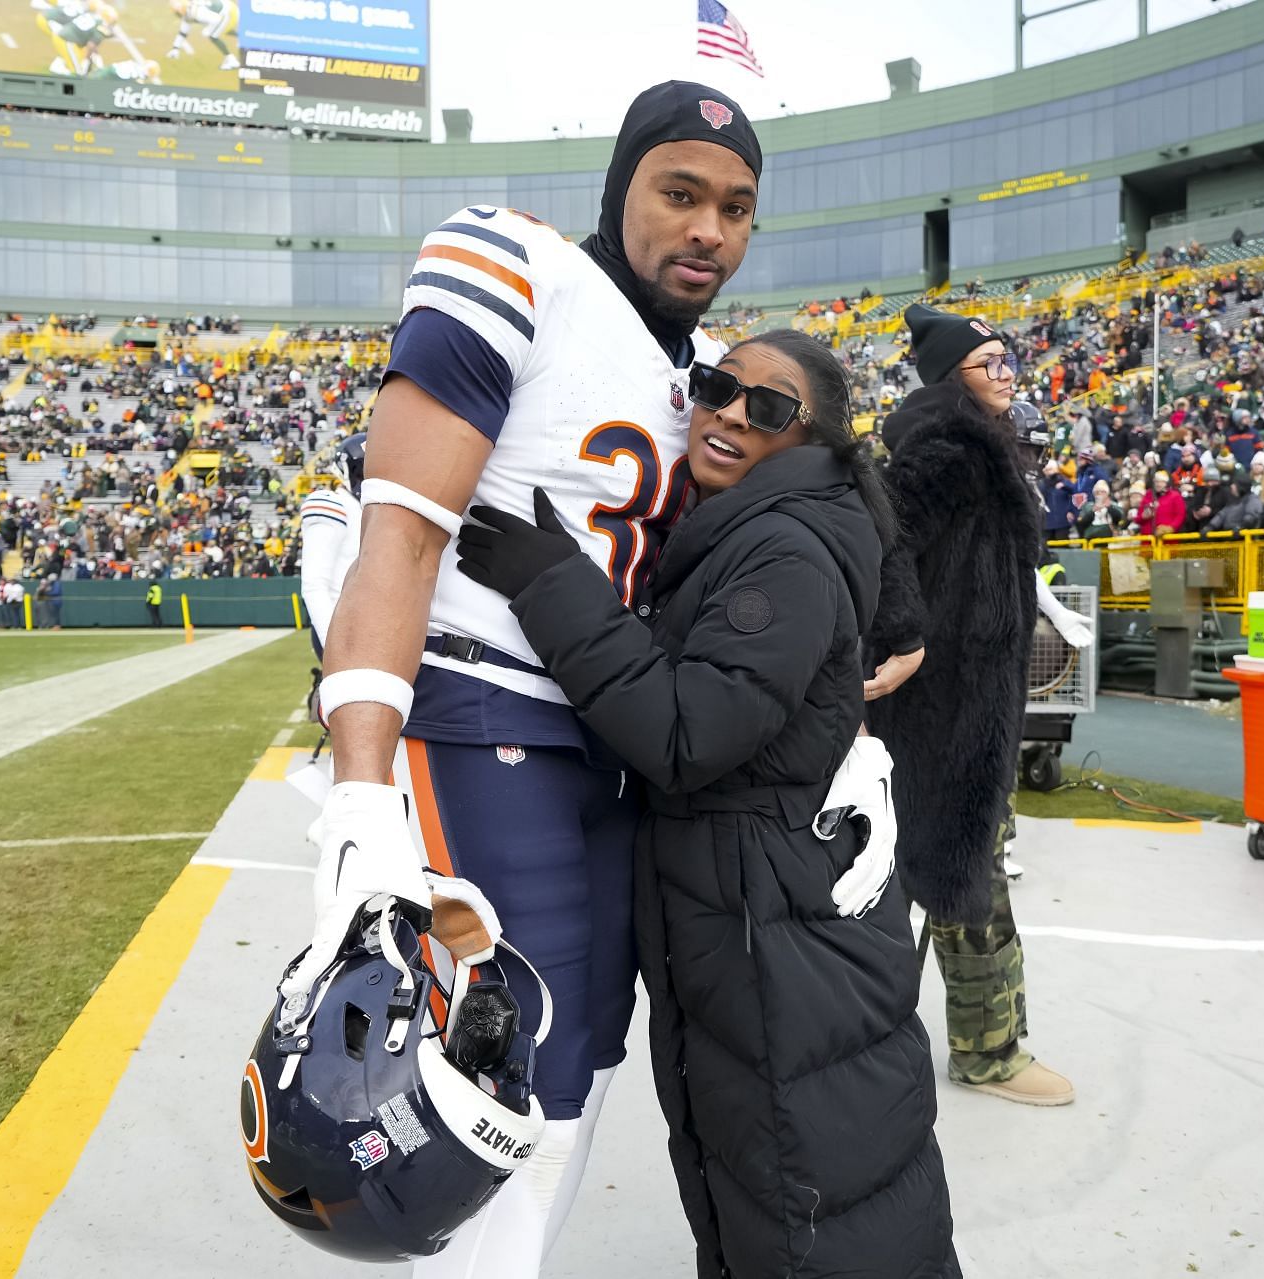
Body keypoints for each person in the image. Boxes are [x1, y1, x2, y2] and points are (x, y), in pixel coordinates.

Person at [286, 81, 767, 1274]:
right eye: (681, 192)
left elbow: (806, 540)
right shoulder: (516, 262)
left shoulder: (715, 374)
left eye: (738, 207)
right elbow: (398, 531)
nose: (709, 228)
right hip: (484, 712)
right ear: (623, 189)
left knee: (588, 1048)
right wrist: (359, 795)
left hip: (620, 747)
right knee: (483, 1063)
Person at [454, 330, 958, 1276]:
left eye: (766, 406)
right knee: (779, 1198)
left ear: (813, 439)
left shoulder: (785, 553)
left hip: (780, 943)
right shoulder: (753, 528)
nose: (728, 411)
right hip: (763, 924)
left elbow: (686, 734)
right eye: (717, 386)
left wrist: (552, 584)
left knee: (811, 1208)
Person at [864, 303, 1077, 1107]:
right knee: (962, 879)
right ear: (954, 375)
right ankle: (989, 1053)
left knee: (953, 870)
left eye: (1009, 361)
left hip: (971, 706)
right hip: (943, 709)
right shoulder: (949, 446)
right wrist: (909, 635)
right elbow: (882, 544)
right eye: (991, 363)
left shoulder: (979, 445)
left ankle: (951, 1043)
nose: (1008, 375)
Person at [297, 432, 364, 652]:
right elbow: (315, 584)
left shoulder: (369, 512)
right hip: (341, 628)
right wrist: (333, 647)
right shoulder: (333, 504)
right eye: (362, 471)